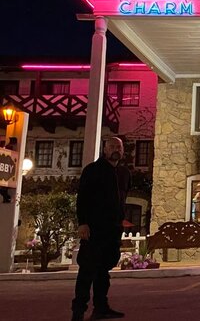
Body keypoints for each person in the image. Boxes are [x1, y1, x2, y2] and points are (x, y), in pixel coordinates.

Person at [71, 137, 131, 321]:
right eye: (112, 146)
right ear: (105, 149)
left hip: (112, 230)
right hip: (94, 229)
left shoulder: (124, 173)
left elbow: (122, 200)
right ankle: (78, 311)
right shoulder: (93, 170)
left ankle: (101, 307)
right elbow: (83, 198)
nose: (116, 150)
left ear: (122, 151)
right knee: (87, 270)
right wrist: (83, 223)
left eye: (119, 147)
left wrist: (120, 221)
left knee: (104, 270)